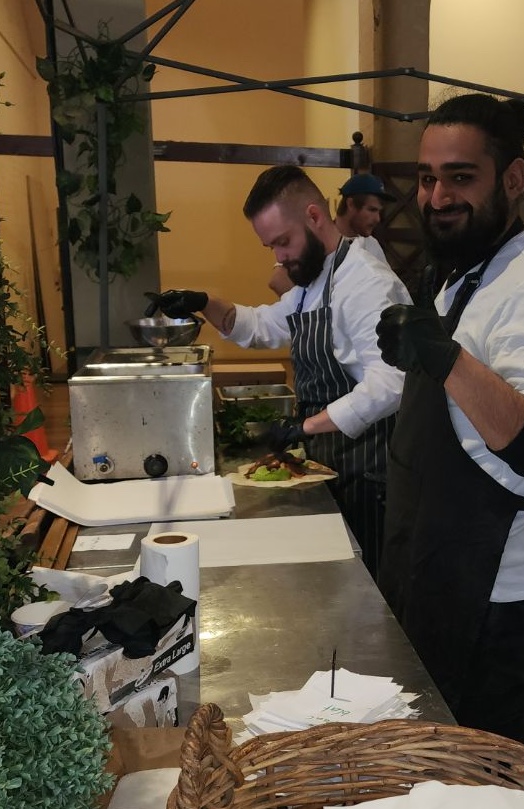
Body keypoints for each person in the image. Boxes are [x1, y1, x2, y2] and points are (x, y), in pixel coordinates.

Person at [374, 92, 524, 745]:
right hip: (439, 571)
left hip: (491, 595)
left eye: (460, 177)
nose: (437, 197)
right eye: (428, 178)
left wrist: (443, 355)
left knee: (485, 770)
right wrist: (418, 351)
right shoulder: (468, 269)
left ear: (515, 179)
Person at [146, 165, 412, 577]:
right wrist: (204, 301)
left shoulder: (366, 283)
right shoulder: (314, 281)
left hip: (371, 474)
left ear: (313, 216)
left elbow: (392, 382)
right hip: (334, 464)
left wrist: (305, 427)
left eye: (283, 242)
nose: (279, 257)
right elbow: (261, 327)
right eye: (271, 246)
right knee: (336, 581)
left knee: (369, 588)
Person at [267, 173, 396, 298]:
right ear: (350, 204)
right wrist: (315, 313)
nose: (377, 219)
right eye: (372, 210)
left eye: (379, 211)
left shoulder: (372, 245)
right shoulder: (316, 241)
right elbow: (278, 281)